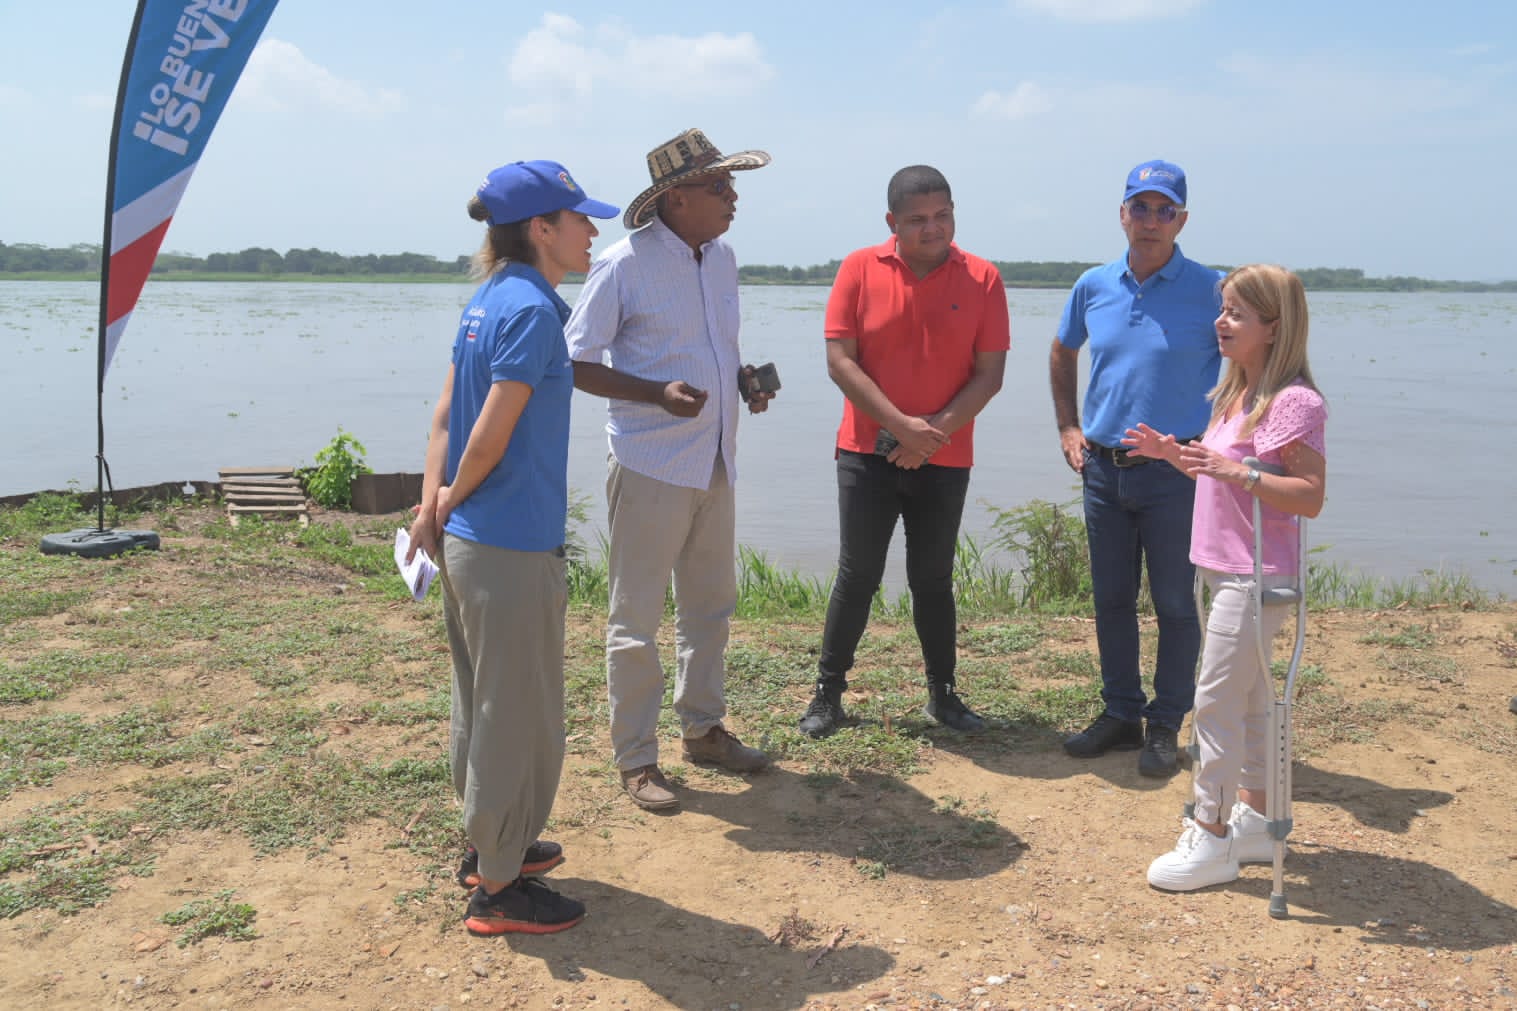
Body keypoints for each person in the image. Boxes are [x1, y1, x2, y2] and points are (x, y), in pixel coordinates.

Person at [406, 160, 618, 935]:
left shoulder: (488, 300)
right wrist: (453, 498)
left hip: (469, 539)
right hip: (507, 543)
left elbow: (442, 415)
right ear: (542, 229)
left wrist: (433, 504)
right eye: (579, 218)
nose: (592, 231)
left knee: (481, 700)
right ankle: (497, 888)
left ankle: (492, 845)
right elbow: (489, 433)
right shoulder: (533, 308)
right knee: (514, 710)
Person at [565, 128, 775, 812]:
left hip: (714, 457)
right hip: (650, 460)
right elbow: (575, 361)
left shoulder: (720, 258)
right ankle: (636, 758)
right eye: (720, 186)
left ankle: (705, 729)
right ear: (676, 199)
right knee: (635, 618)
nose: (732, 196)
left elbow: (713, 346)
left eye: (730, 184)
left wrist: (743, 381)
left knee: (710, 605)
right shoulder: (622, 264)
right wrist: (655, 393)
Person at [1122, 264, 1327, 890]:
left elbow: (1309, 496)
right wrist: (1176, 456)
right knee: (1247, 700)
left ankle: (1210, 835)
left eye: (1237, 312)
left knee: (1213, 700)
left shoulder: (1294, 400)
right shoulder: (1238, 392)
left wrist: (1238, 473)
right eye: (1223, 308)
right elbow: (1222, 469)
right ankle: (1260, 820)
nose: (1222, 321)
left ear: (1273, 325)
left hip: (1255, 573)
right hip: (1224, 566)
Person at [797, 165, 1009, 738]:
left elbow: (990, 375)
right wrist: (900, 427)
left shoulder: (984, 278)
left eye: (942, 215)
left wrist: (930, 434)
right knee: (857, 574)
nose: (932, 228)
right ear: (892, 222)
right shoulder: (859, 269)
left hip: (945, 453)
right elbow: (840, 361)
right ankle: (827, 693)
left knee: (933, 577)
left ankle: (944, 693)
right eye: (917, 219)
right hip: (866, 451)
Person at [1049, 159, 1223, 777]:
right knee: (1112, 600)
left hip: (1176, 473)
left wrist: (1224, 447)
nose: (1151, 220)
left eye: (1164, 209)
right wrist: (1069, 428)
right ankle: (1121, 712)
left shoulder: (1214, 290)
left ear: (1182, 219)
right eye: (1140, 207)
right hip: (1103, 469)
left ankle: (1166, 723)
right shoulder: (1093, 285)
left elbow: (1257, 360)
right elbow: (1063, 349)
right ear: (1122, 214)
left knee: (1176, 603)